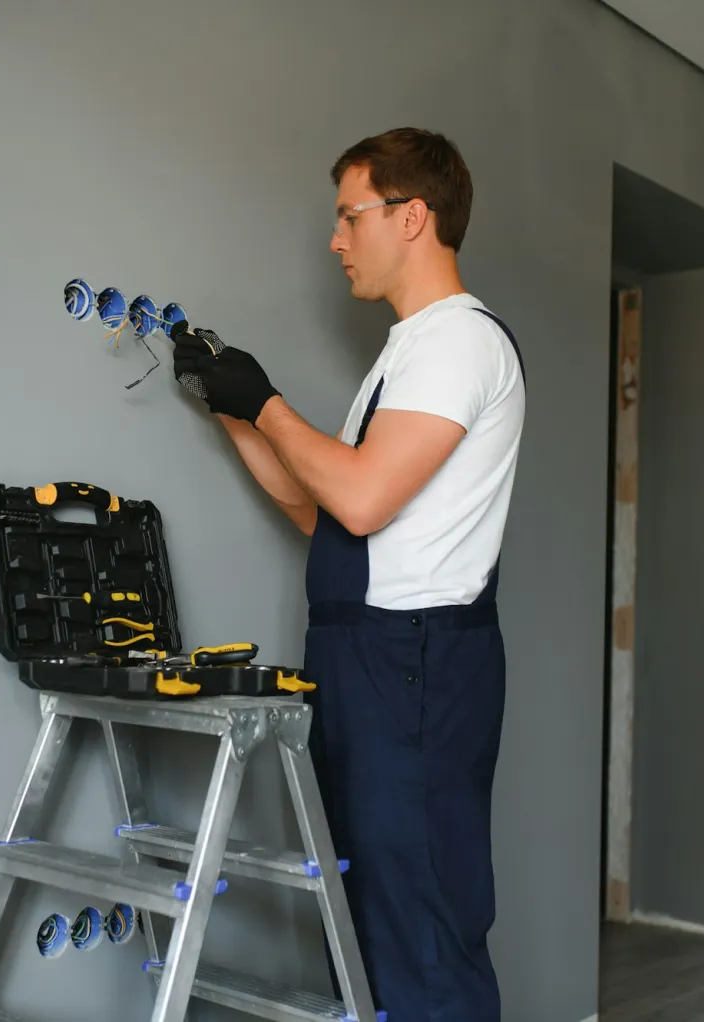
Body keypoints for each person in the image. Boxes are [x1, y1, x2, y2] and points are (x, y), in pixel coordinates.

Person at [169, 127, 525, 1022]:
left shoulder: (458, 343)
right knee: (367, 923)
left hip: (415, 665)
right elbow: (318, 510)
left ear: (412, 217)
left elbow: (360, 500)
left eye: (349, 216)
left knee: (422, 928)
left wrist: (269, 403)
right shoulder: (409, 351)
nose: (336, 240)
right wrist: (233, 411)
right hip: (368, 657)